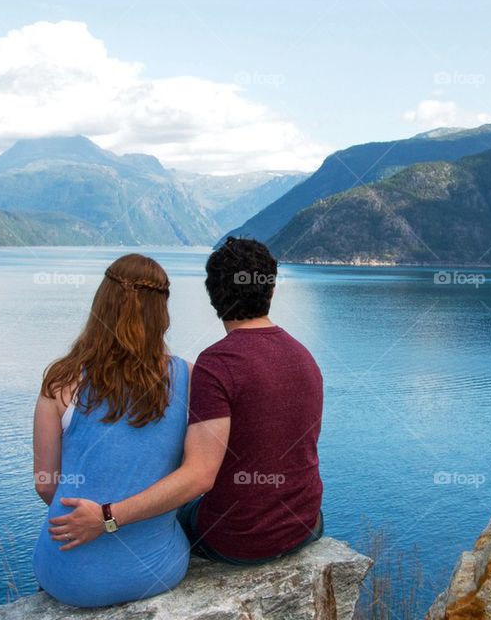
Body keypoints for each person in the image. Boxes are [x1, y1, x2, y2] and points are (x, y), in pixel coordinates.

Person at [51, 237, 324, 565]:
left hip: (239, 540)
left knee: (167, 518)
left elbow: (199, 476)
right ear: (272, 290)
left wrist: (108, 516)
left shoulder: (218, 364)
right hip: (306, 524)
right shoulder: (304, 357)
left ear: (213, 297)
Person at [32, 254, 190, 607]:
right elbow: (195, 476)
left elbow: (45, 484)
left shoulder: (59, 381)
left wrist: (93, 516)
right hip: (157, 570)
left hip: (68, 575)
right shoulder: (191, 378)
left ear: (101, 303)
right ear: (161, 314)